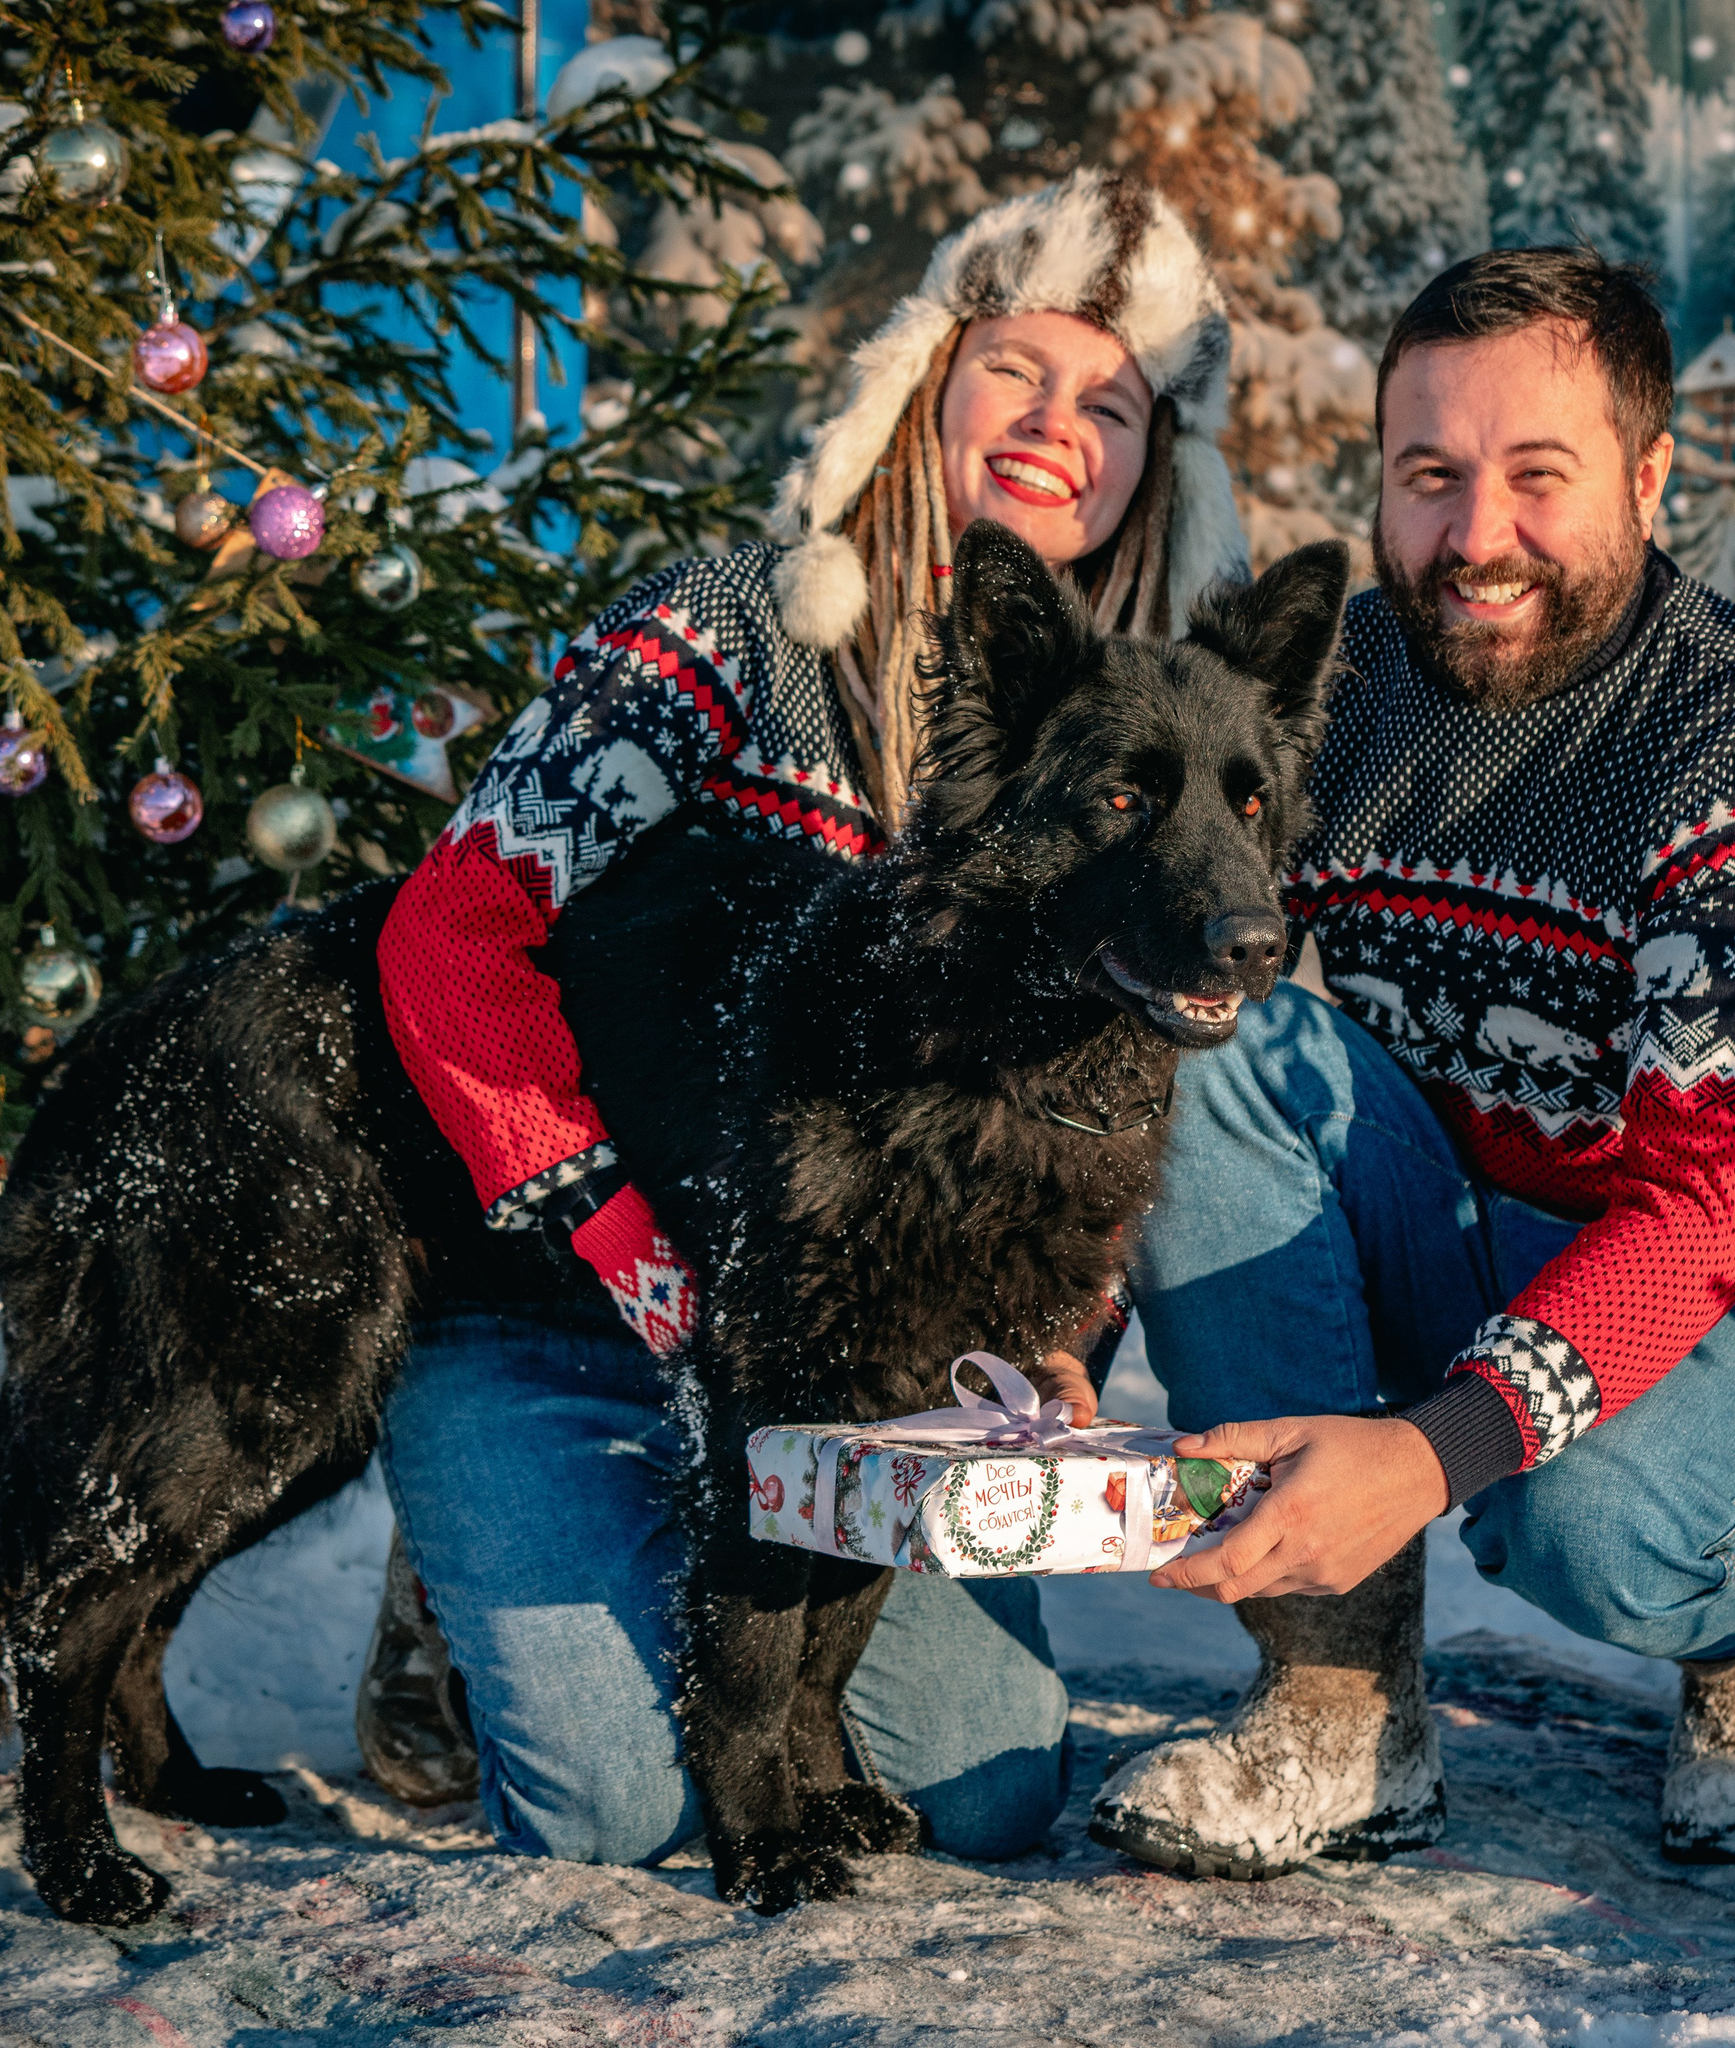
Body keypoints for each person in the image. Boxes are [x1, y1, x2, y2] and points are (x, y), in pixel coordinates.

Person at [358, 169, 1251, 1865]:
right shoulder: (728, 627)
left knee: (981, 1792)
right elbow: (456, 936)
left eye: (1114, 401)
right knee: (614, 1808)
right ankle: (467, 1572)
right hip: (562, 1300)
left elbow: (1100, 1095)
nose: (1058, 423)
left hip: (842, 1355)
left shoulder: (1143, 745)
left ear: (1158, 467)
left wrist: (1064, 1334)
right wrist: (618, 1240)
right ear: (924, 380)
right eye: (1017, 367)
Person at [1057, 248, 1735, 1875]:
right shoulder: (1339, 686)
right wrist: (1074, 1318)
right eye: (1431, 477)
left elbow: (1702, 1202)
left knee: (1583, 1524)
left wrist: (1431, 1451)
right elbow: (1188, 974)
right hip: (1485, 1203)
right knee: (1212, 1036)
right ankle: (1339, 1711)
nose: (1477, 539)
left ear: (1648, 474)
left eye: (1536, 476)